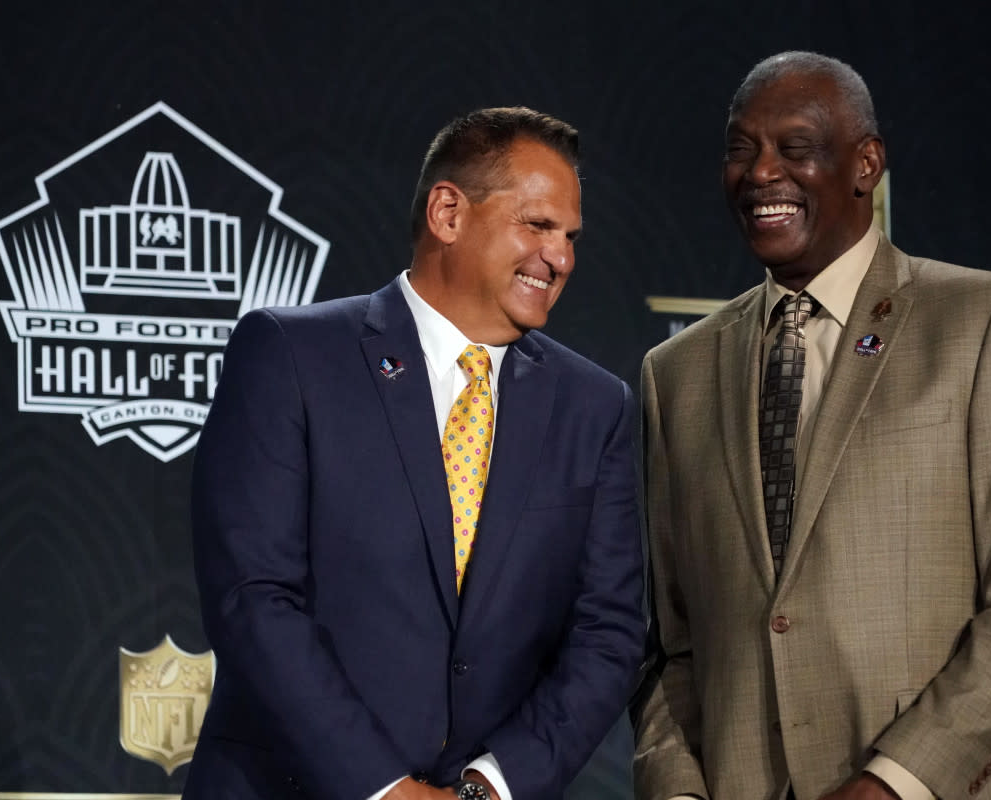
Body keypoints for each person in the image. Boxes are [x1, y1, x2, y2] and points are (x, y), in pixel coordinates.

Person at [632, 52, 991, 800]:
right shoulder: (674, 373)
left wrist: (893, 783)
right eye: (741, 150)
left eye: (795, 148)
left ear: (866, 164)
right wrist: (677, 785)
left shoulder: (987, 320)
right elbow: (670, 645)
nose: (760, 174)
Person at [183, 107, 645, 800]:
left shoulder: (594, 406)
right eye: (539, 226)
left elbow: (607, 634)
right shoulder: (292, 355)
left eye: (572, 237)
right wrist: (384, 787)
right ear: (449, 212)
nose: (562, 258)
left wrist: (490, 787)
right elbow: (254, 598)